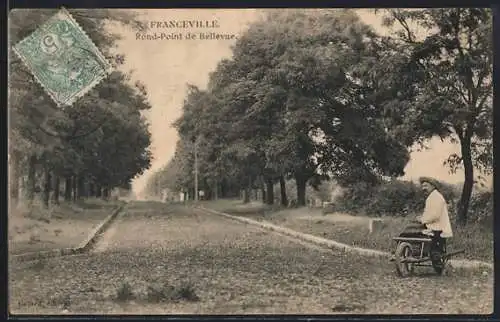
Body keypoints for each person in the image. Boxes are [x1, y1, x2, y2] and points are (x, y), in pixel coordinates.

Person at [391, 177, 453, 260]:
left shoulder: (437, 197)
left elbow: (435, 215)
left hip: (437, 227)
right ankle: (403, 251)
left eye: (426, 186)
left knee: (410, 229)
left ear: (433, 186)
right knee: (409, 228)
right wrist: (421, 218)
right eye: (423, 186)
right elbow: (429, 213)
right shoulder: (432, 197)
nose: (424, 188)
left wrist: (422, 220)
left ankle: (408, 252)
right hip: (432, 224)